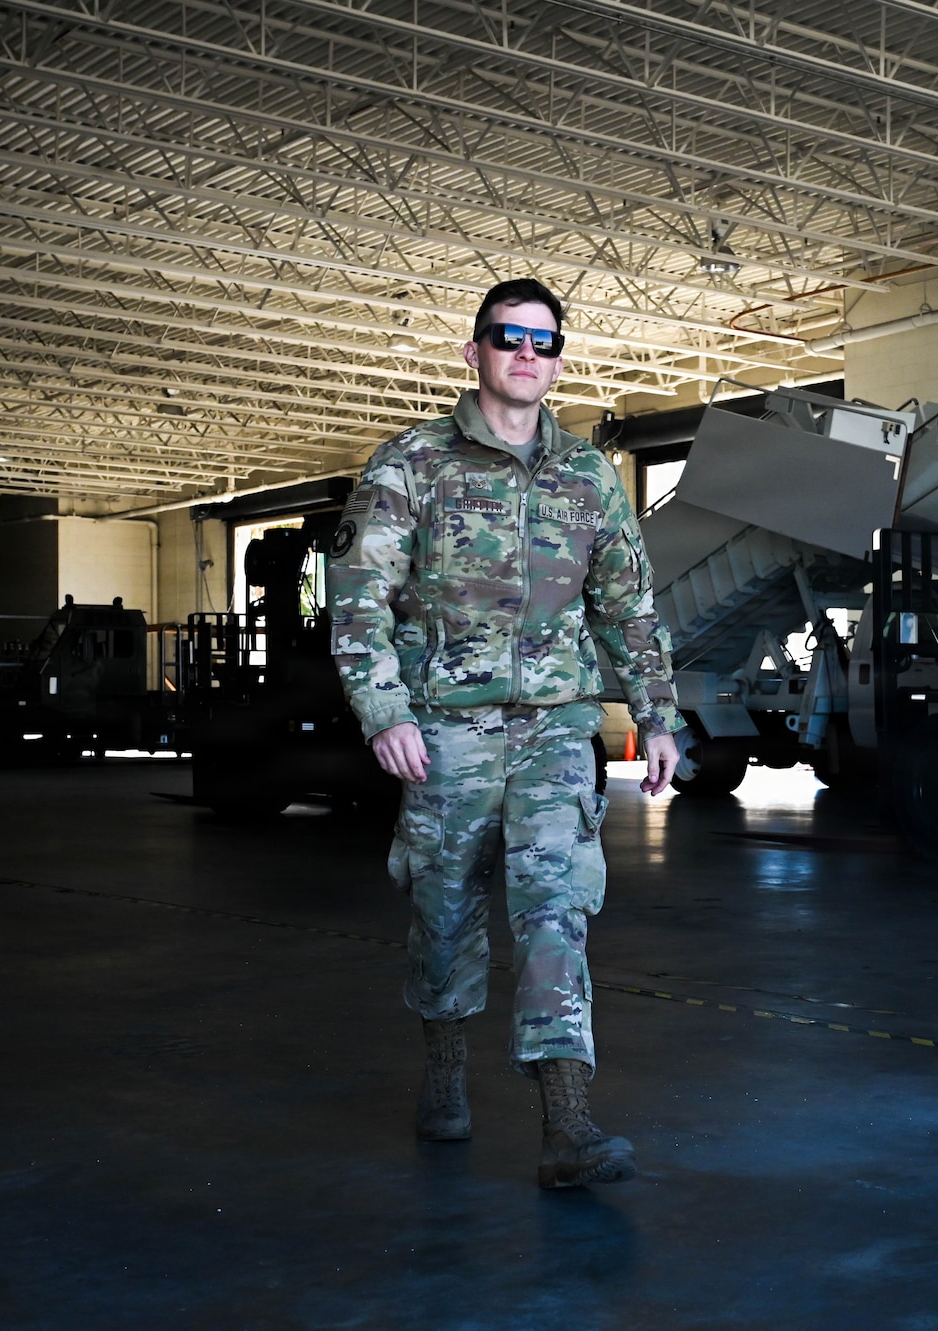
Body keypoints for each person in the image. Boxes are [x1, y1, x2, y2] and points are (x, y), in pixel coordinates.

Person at [326, 277, 682, 1189]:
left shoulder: (589, 476)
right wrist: (385, 712)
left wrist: (657, 714)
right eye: (509, 337)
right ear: (475, 352)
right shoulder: (412, 462)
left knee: (555, 905)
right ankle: (443, 1074)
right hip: (443, 732)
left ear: (559, 359)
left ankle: (568, 1123)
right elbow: (359, 599)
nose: (529, 354)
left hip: (557, 728)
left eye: (545, 341)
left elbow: (628, 607)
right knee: (444, 918)